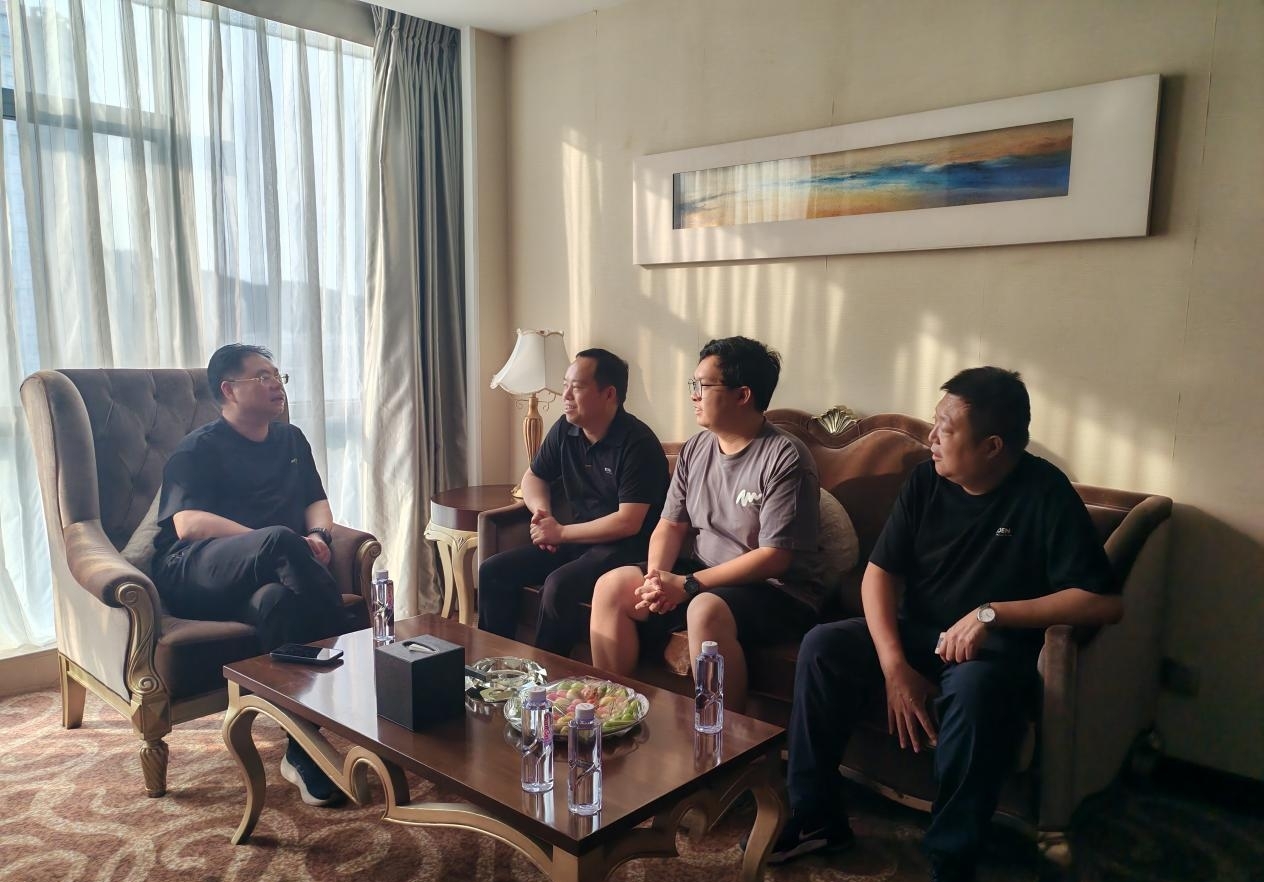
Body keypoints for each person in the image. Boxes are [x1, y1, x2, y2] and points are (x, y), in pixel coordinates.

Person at [766, 367, 1120, 881]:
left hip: (991, 651)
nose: (930, 438)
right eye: (934, 423)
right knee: (824, 644)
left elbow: (1103, 603)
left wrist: (992, 613)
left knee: (977, 694)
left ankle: (952, 859)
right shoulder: (925, 480)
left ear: (992, 446)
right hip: (918, 631)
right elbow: (878, 575)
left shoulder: (1045, 493)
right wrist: (894, 667)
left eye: (946, 429)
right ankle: (816, 817)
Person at [152, 343, 354, 808]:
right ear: (229, 390)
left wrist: (318, 535)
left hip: (266, 578)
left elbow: (316, 500)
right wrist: (276, 543)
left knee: (276, 604)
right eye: (262, 376)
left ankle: (300, 748)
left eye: (278, 375)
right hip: (194, 570)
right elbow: (188, 525)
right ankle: (356, 665)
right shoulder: (198, 448)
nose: (276, 384)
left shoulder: (291, 440)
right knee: (279, 540)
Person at [589, 336, 826, 712]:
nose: (694, 395)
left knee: (704, 610)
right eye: (693, 384)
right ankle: (616, 717)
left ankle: (720, 736)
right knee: (611, 586)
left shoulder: (785, 457)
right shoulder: (696, 448)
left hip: (777, 591)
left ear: (742, 394)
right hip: (703, 573)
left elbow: (776, 557)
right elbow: (670, 525)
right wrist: (656, 579)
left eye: (703, 385)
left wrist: (689, 584)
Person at [477, 348, 669, 656]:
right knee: (493, 571)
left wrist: (561, 533)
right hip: (578, 540)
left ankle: (546, 678)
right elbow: (533, 476)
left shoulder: (638, 444)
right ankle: (495, 668)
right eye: (565, 384)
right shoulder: (567, 429)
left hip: (627, 550)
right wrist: (543, 515)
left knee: (558, 586)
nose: (565, 395)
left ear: (609, 394)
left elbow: (628, 522)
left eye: (576, 387)